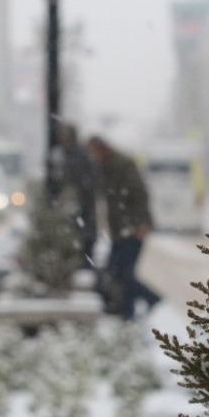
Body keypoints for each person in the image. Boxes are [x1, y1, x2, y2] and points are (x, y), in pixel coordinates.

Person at [86, 135, 161, 320]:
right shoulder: (104, 166)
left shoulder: (122, 164)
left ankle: (145, 302)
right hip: (120, 230)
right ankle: (127, 307)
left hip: (132, 229)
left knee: (124, 273)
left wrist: (140, 224)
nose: (92, 157)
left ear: (101, 149)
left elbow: (139, 193)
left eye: (93, 152)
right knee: (117, 271)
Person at [58, 123, 97, 266]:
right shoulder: (73, 155)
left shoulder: (77, 157)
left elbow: (83, 189)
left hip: (82, 220)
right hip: (82, 221)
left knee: (83, 262)